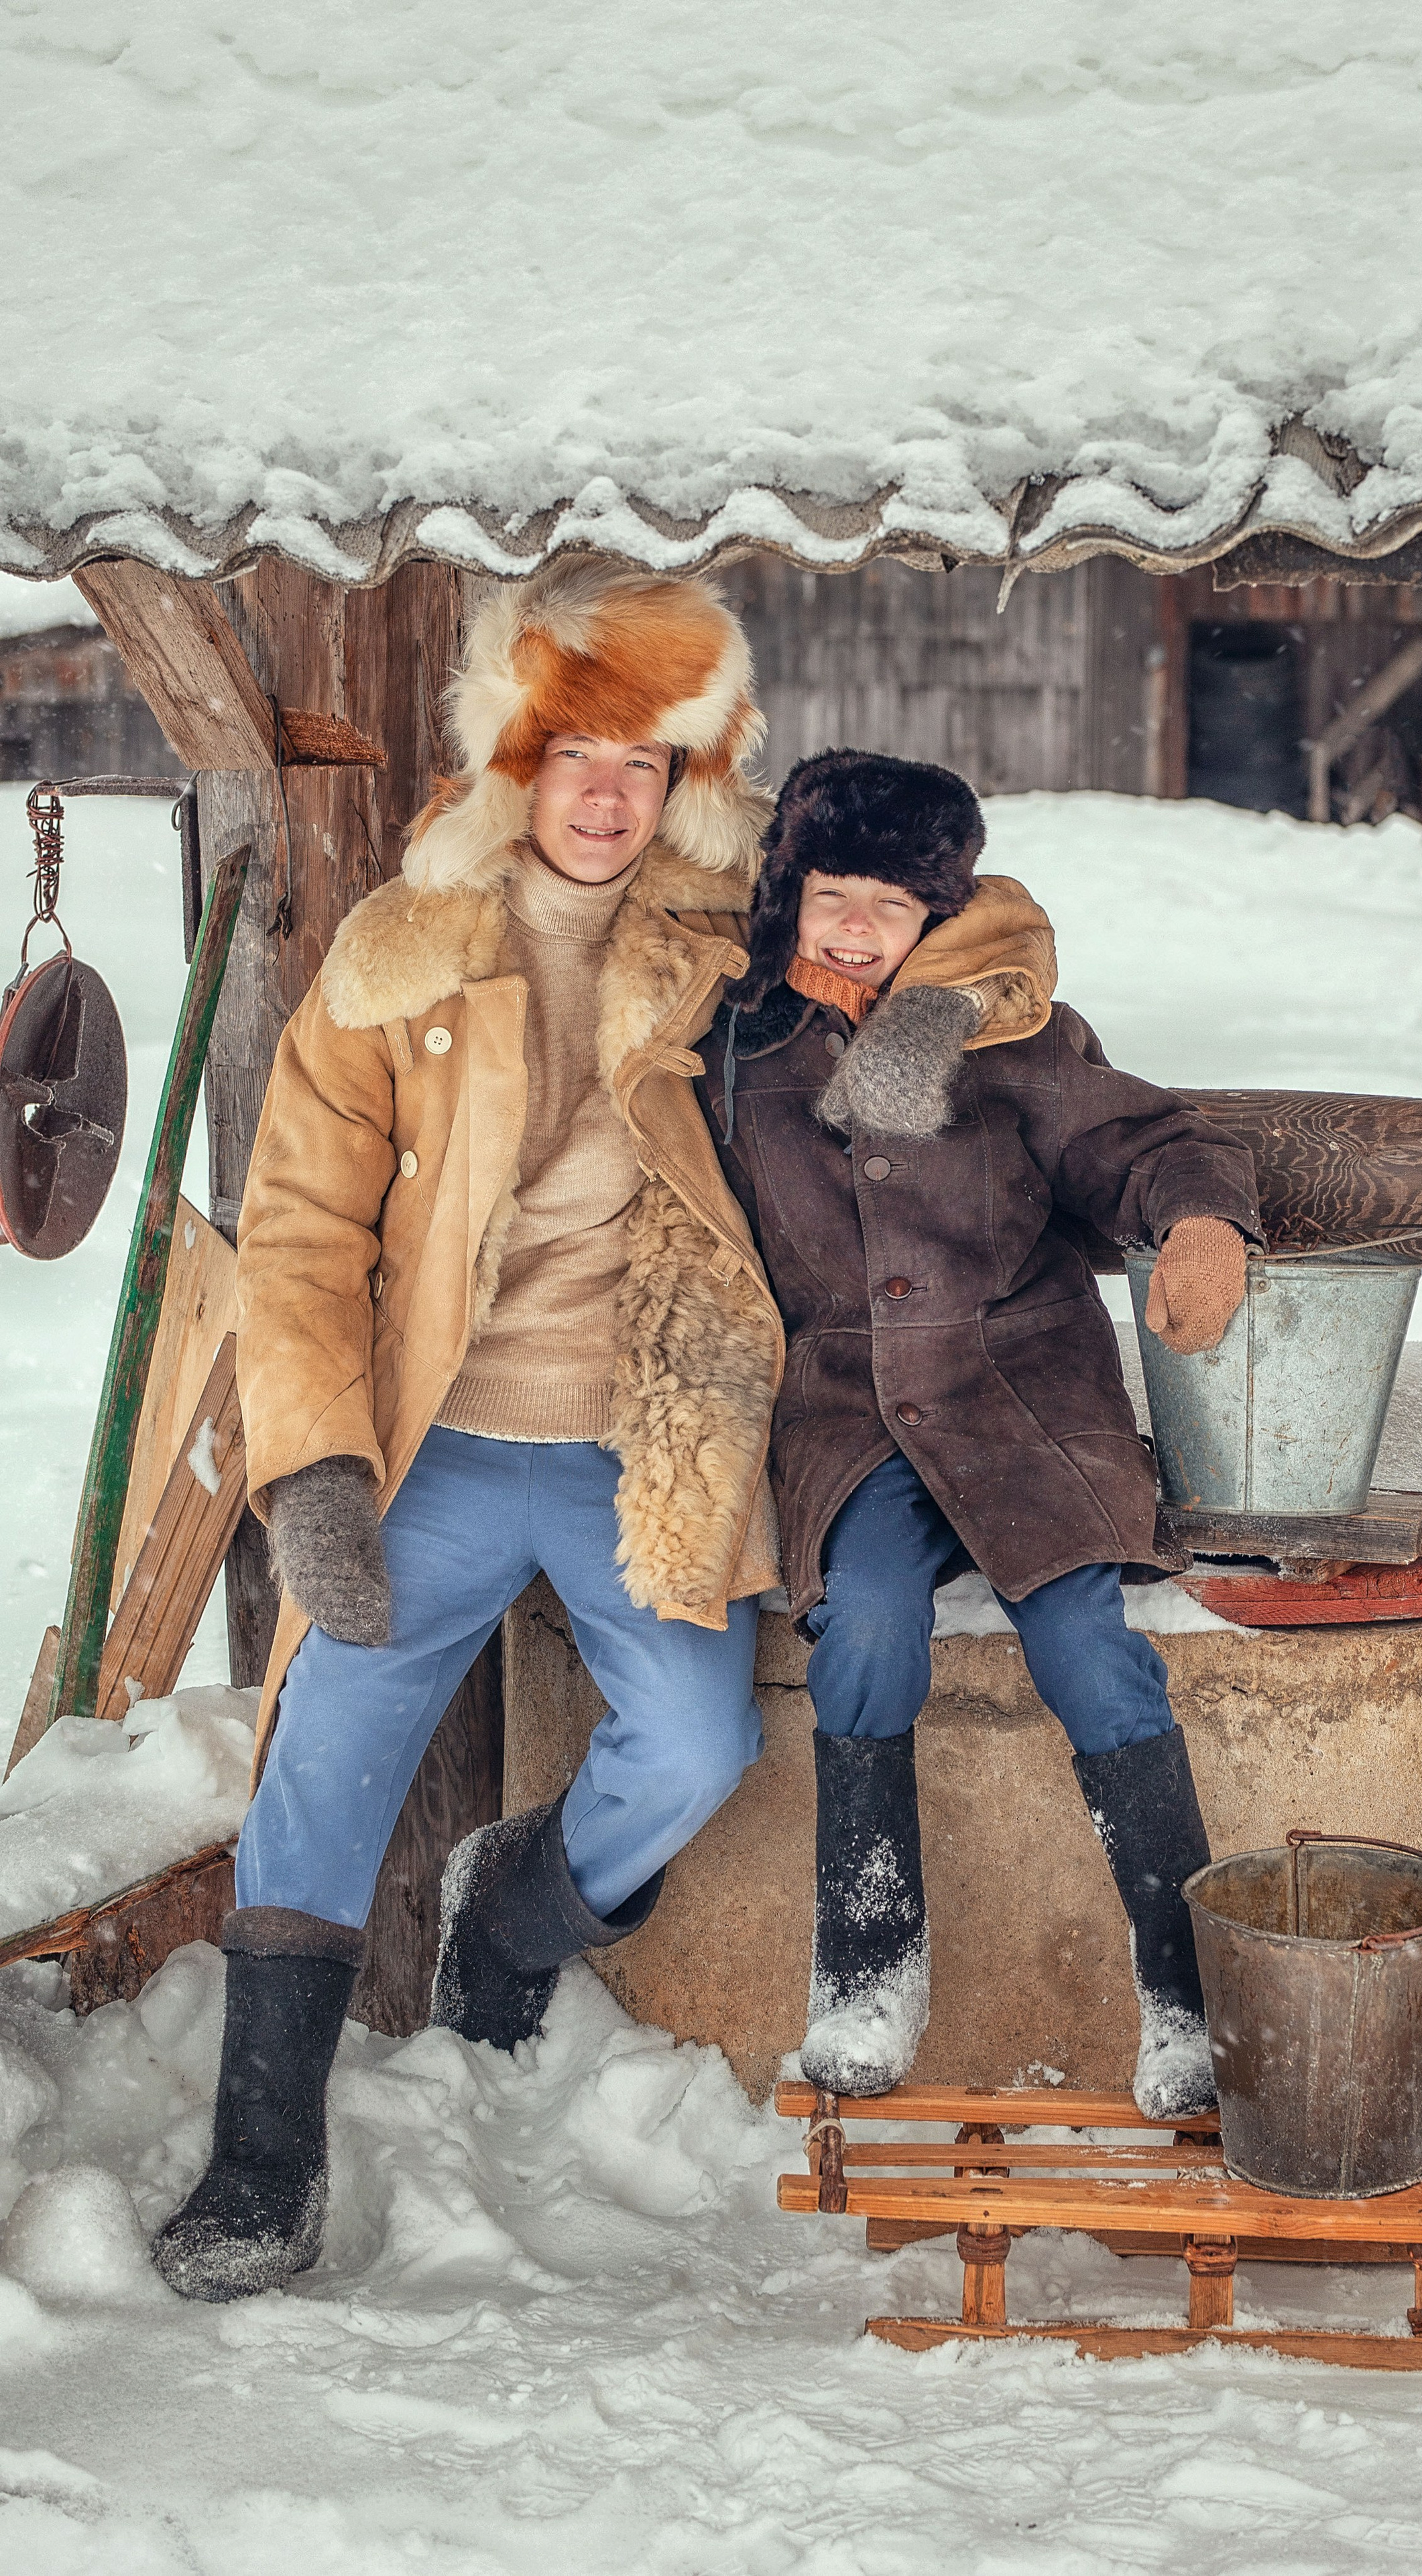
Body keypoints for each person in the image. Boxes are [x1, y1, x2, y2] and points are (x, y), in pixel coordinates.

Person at [151, 567, 1052, 2306]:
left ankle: (514, 1914)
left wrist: (922, 1015)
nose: (606, 793)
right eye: (574, 749)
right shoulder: (401, 951)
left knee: (701, 1748)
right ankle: (263, 2164)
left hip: (651, 1448)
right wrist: (318, 1469)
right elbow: (297, 1234)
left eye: (646, 758)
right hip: (435, 1447)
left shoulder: (737, 935)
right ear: (514, 752)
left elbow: (993, 924)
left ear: (692, 775)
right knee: (324, 1756)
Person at [697, 748, 1262, 2119]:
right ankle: (867, 1961)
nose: (853, 929)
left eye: (888, 909)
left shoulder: (992, 1032)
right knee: (867, 1635)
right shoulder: (735, 1043)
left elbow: (1137, 1144)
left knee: (1089, 1653)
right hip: (845, 1409)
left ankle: (1185, 1994)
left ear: (933, 920)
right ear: (788, 891)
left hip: (1019, 1395)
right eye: (831, 895)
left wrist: (1194, 1221)